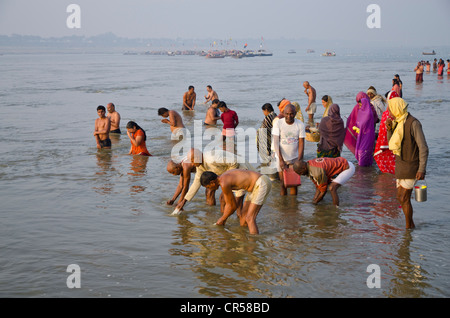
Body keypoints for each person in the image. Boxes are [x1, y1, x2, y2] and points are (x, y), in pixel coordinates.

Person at [386, 97, 428, 229]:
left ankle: (408, 227)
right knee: (400, 197)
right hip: (400, 166)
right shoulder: (397, 123)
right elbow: (391, 144)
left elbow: (423, 147)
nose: (389, 112)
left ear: (397, 109)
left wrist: (422, 169)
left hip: (411, 167)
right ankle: (410, 225)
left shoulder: (413, 123)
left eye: (390, 109)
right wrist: (389, 129)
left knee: (404, 197)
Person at [173, 148, 256, 215]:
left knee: (228, 200)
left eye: (192, 160)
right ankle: (228, 221)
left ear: (197, 157)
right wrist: (184, 202)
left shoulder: (211, 158)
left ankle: (229, 222)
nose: (192, 164)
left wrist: (226, 183)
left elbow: (234, 163)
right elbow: (196, 184)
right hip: (230, 178)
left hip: (242, 172)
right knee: (224, 200)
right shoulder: (200, 166)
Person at [200, 169, 271, 235]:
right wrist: (224, 219)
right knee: (243, 218)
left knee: (250, 218)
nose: (210, 189)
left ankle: (254, 245)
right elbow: (229, 204)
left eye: (208, 187)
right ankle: (244, 241)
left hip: (261, 183)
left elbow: (232, 206)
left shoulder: (224, 183)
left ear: (212, 182)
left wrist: (222, 219)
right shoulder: (223, 177)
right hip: (254, 187)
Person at [272, 103, 306, 195]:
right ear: (283, 113)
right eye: (287, 114)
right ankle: (283, 207)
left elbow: (301, 143)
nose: (289, 116)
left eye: (291, 114)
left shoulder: (300, 124)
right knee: (283, 183)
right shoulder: (278, 123)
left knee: (294, 183)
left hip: (294, 158)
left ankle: (293, 206)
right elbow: (276, 142)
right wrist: (281, 160)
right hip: (281, 157)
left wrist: (299, 160)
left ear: (295, 114)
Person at [373, 91, 398, 175]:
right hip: (392, 142)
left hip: (387, 142)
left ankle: (389, 175)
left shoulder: (389, 114)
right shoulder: (398, 114)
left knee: (388, 158)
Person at [354, 92, 376, 166]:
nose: (360, 107)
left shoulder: (368, 113)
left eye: (361, 105)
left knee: (363, 152)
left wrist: (358, 127)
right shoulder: (361, 112)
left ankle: (363, 170)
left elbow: (363, 124)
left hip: (367, 135)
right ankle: (366, 168)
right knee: (361, 151)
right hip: (361, 135)